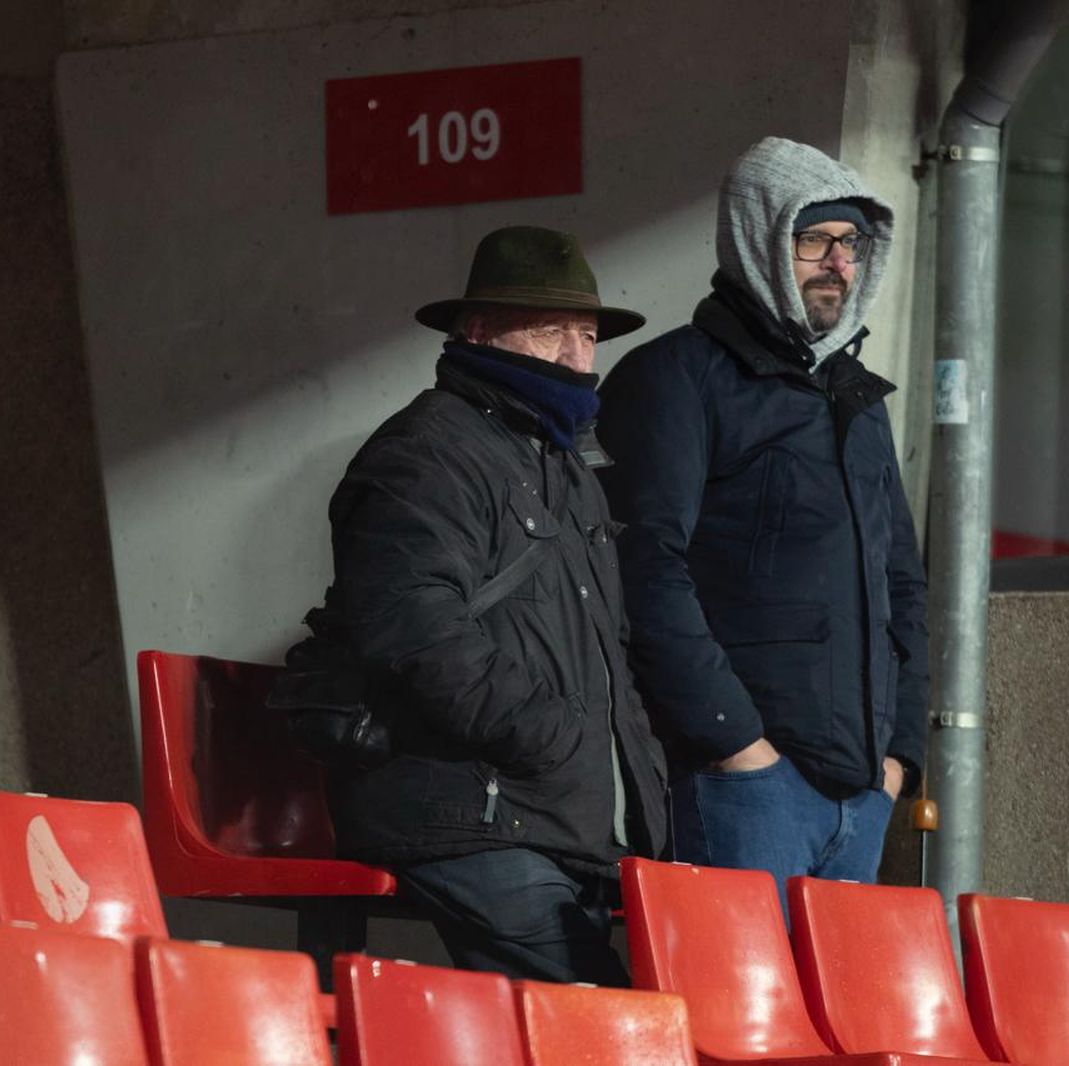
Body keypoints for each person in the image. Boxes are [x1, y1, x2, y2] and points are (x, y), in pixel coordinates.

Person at [293, 226, 668, 984]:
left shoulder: (564, 465)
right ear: (478, 331)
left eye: (587, 334)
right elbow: (413, 629)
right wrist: (553, 738)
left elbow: (609, 646)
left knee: (630, 1016)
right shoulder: (426, 452)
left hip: (552, 817)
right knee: (598, 1023)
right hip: (471, 816)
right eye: (548, 330)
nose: (573, 355)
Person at [595, 137, 929, 901]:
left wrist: (898, 758)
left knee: (839, 1023)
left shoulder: (856, 399)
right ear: (759, 241)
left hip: (862, 794)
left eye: (851, 243)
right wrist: (734, 744)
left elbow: (903, 588)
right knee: (736, 1021)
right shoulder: (673, 378)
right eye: (813, 240)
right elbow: (644, 567)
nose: (838, 263)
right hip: (747, 786)